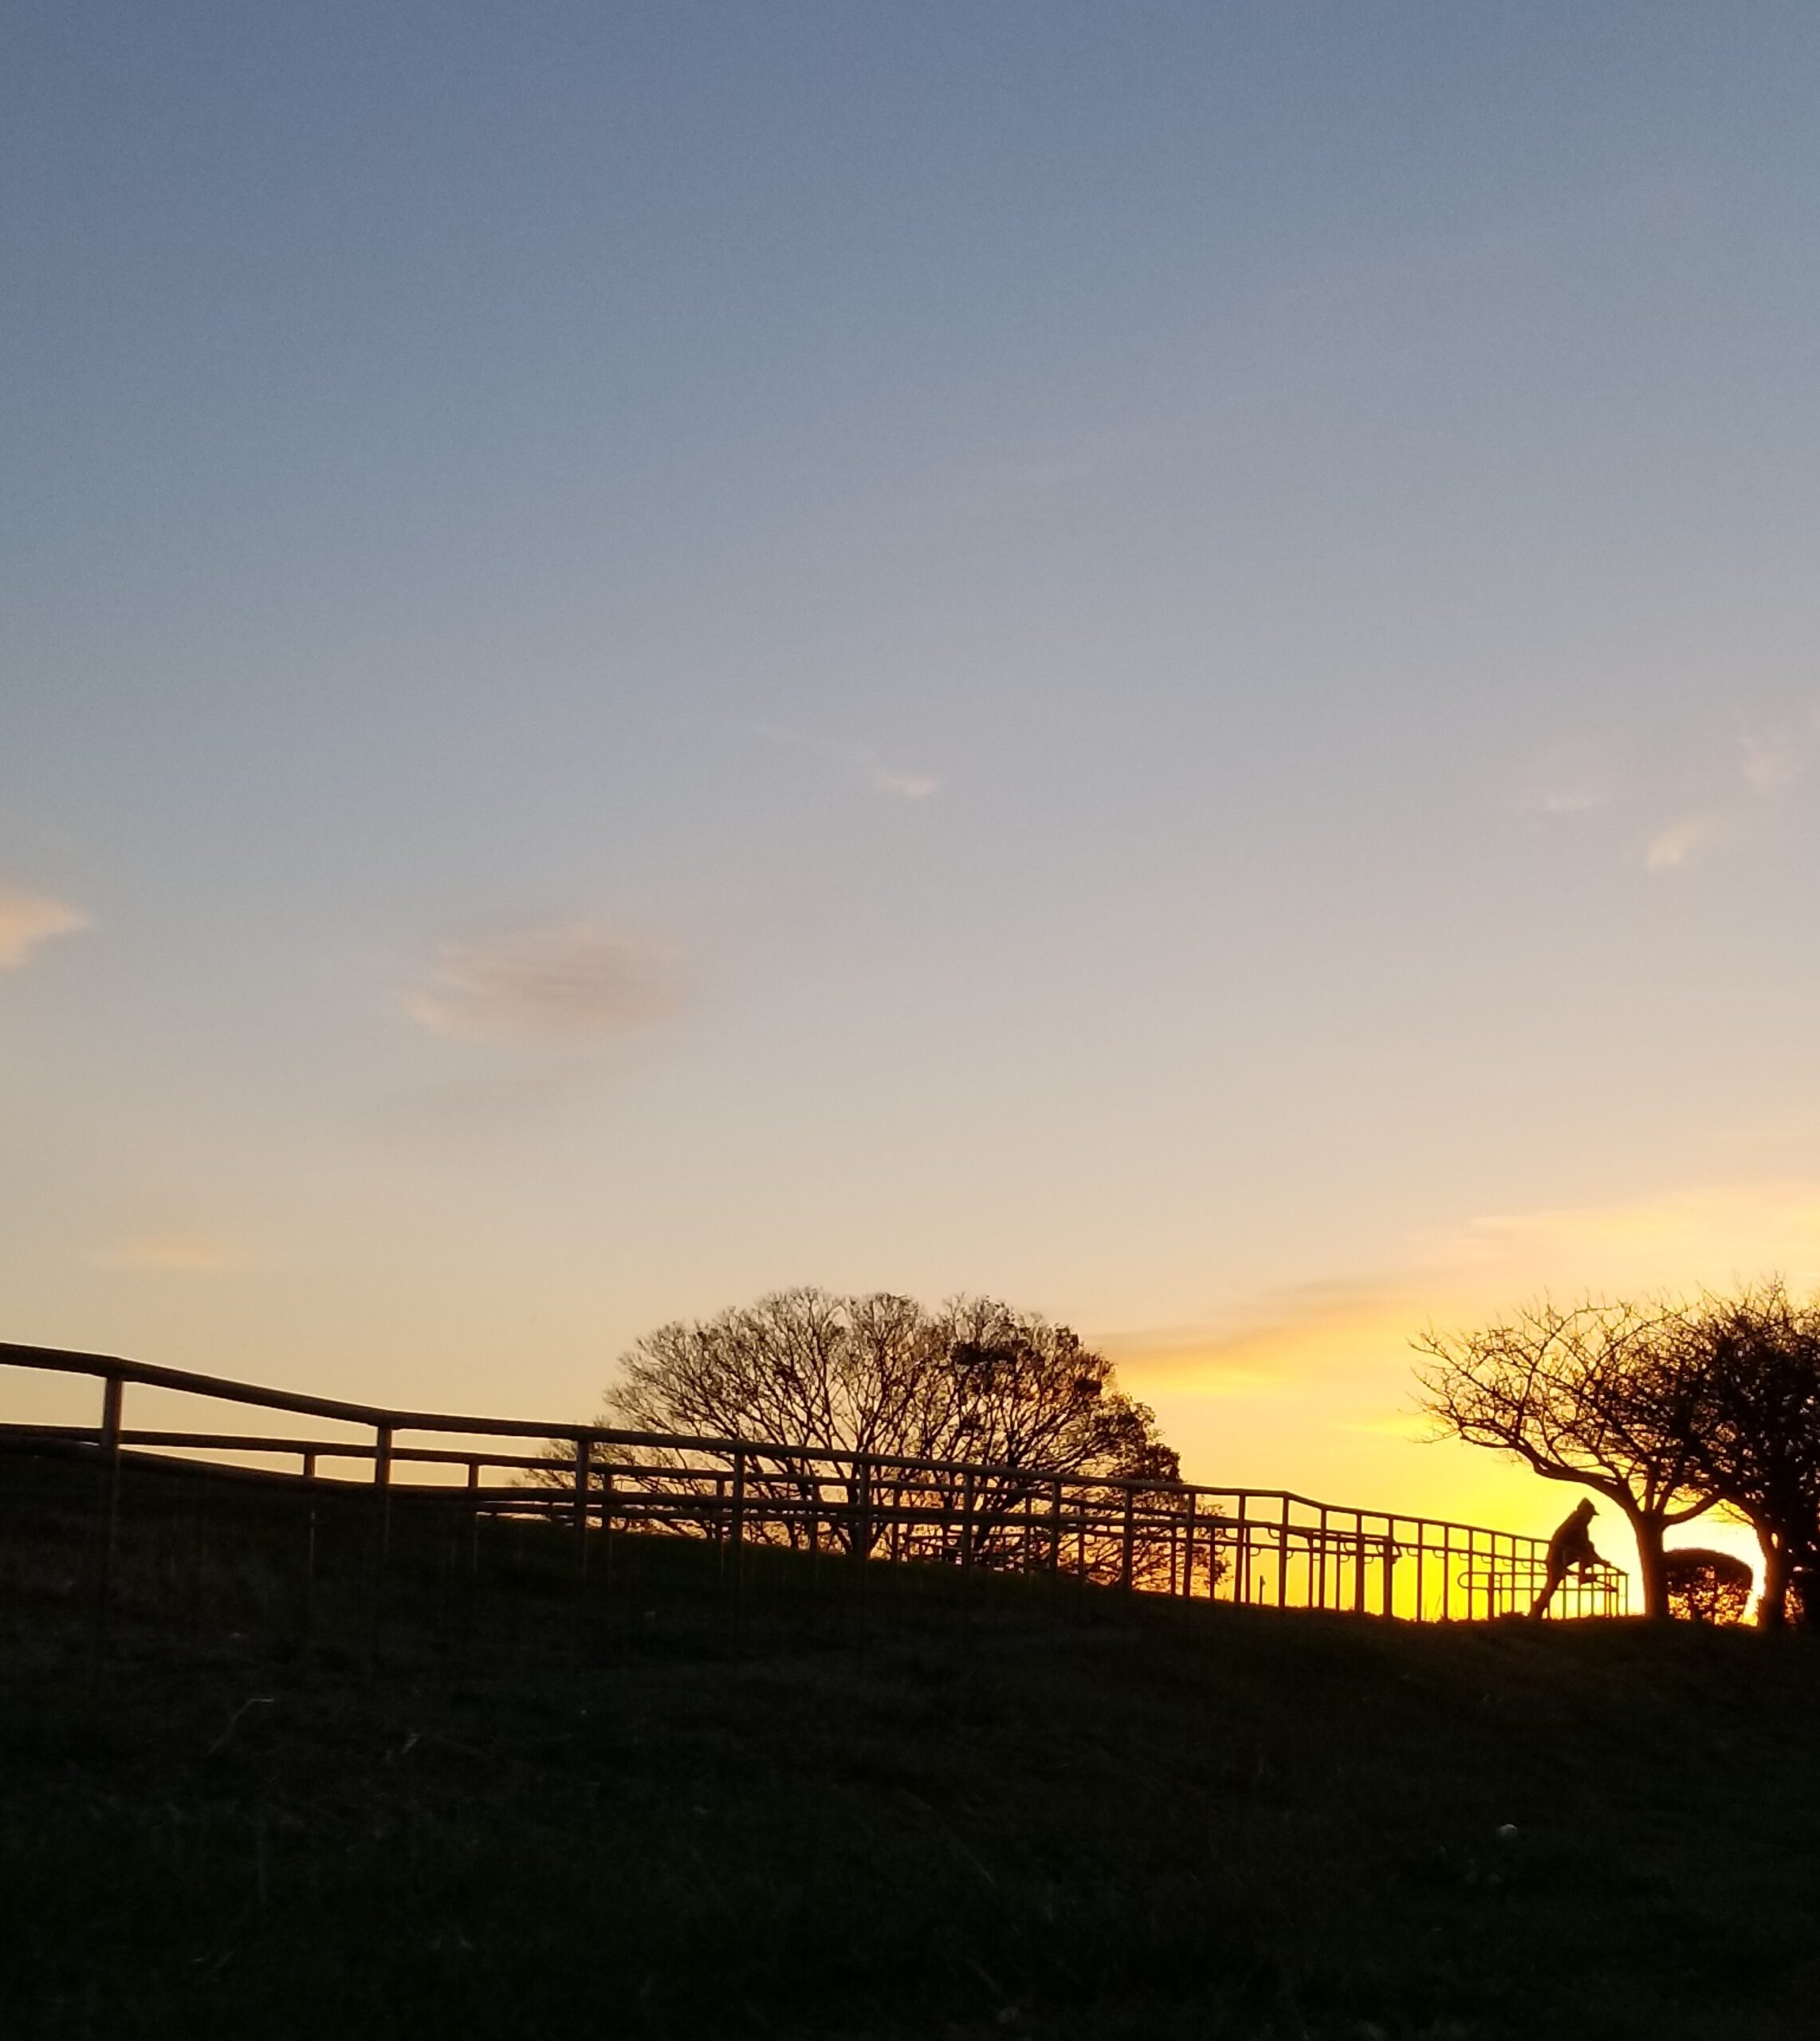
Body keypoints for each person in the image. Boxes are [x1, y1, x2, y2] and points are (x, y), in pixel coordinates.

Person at [1531, 1498, 1603, 1617]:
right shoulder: (1577, 1523)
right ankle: (1583, 1576)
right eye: (1590, 1515)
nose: (1591, 1518)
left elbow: (1586, 1544)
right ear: (1584, 1513)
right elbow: (1583, 1543)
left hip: (1561, 1556)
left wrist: (1598, 1559)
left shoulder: (1578, 1523)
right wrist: (1597, 1559)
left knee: (1551, 1585)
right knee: (1551, 1585)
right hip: (1558, 1558)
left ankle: (1536, 1613)